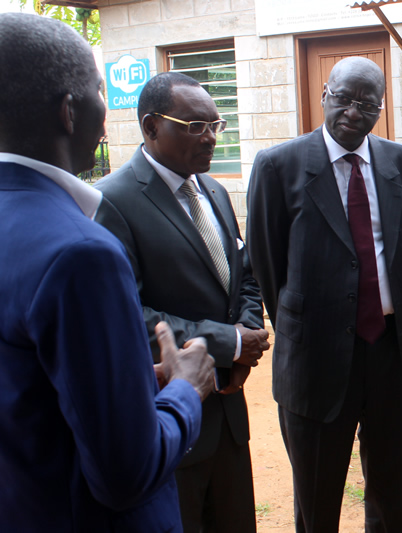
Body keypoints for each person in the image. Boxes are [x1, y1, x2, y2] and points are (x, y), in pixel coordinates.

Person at [0, 13, 215, 532]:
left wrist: (131, 382)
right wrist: (185, 391)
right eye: (99, 91)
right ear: (70, 112)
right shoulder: (81, 252)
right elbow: (125, 473)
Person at [246, 56, 402, 532]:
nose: (353, 110)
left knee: (391, 491)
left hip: (388, 351)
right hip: (316, 359)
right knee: (317, 495)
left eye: (367, 103)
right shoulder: (277, 166)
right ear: (325, 94)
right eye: (343, 97)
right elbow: (267, 264)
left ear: (380, 109)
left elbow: (401, 245)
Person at [95, 72, 270, 533]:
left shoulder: (212, 190)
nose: (210, 138)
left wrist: (246, 341)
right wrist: (227, 343)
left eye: (216, 125)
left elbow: (243, 276)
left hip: (229, 415)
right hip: (168, 421)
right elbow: (130, 315)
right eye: (195, 126)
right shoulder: (112, 201)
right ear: (151, 127)